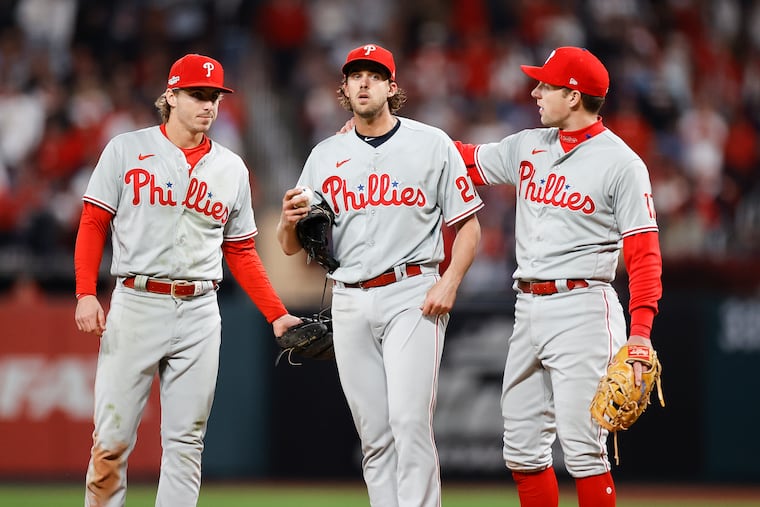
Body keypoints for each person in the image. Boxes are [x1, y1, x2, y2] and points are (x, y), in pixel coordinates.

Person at [73, 53, 302, 507]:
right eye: (198, 95)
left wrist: (276, 314)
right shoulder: (126, 149)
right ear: (171, 96)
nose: (208, 105)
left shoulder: (231, 168)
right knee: (112, 439)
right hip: (137, 301)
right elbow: (93, 221)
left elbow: (240, 251)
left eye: (214, 96)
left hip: (200, 309)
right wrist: (84, 292)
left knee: (186, 444)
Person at [454, 46, 663, 506]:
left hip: (583, 307)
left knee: (584, 449)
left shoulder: (622, 164)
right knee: (523, 450)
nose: (535, 91)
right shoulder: (529, 144)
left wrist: (642, 334)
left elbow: (645, 254)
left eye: (546, 84)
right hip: (527, 305)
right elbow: (462, 159)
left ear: (574, 96)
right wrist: (393, 133)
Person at [277, 43, 483, 507]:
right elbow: (292, 246)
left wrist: (448, 282)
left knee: (410, 423)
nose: (364, 82)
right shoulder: (325, 154)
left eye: (374, 75)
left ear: (393, 87)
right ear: (344, 89)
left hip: (413, 293)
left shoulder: (432, 144)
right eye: (355, 76)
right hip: (349, 298)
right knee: (373, 434)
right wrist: (287, 223)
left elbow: (468, 228)